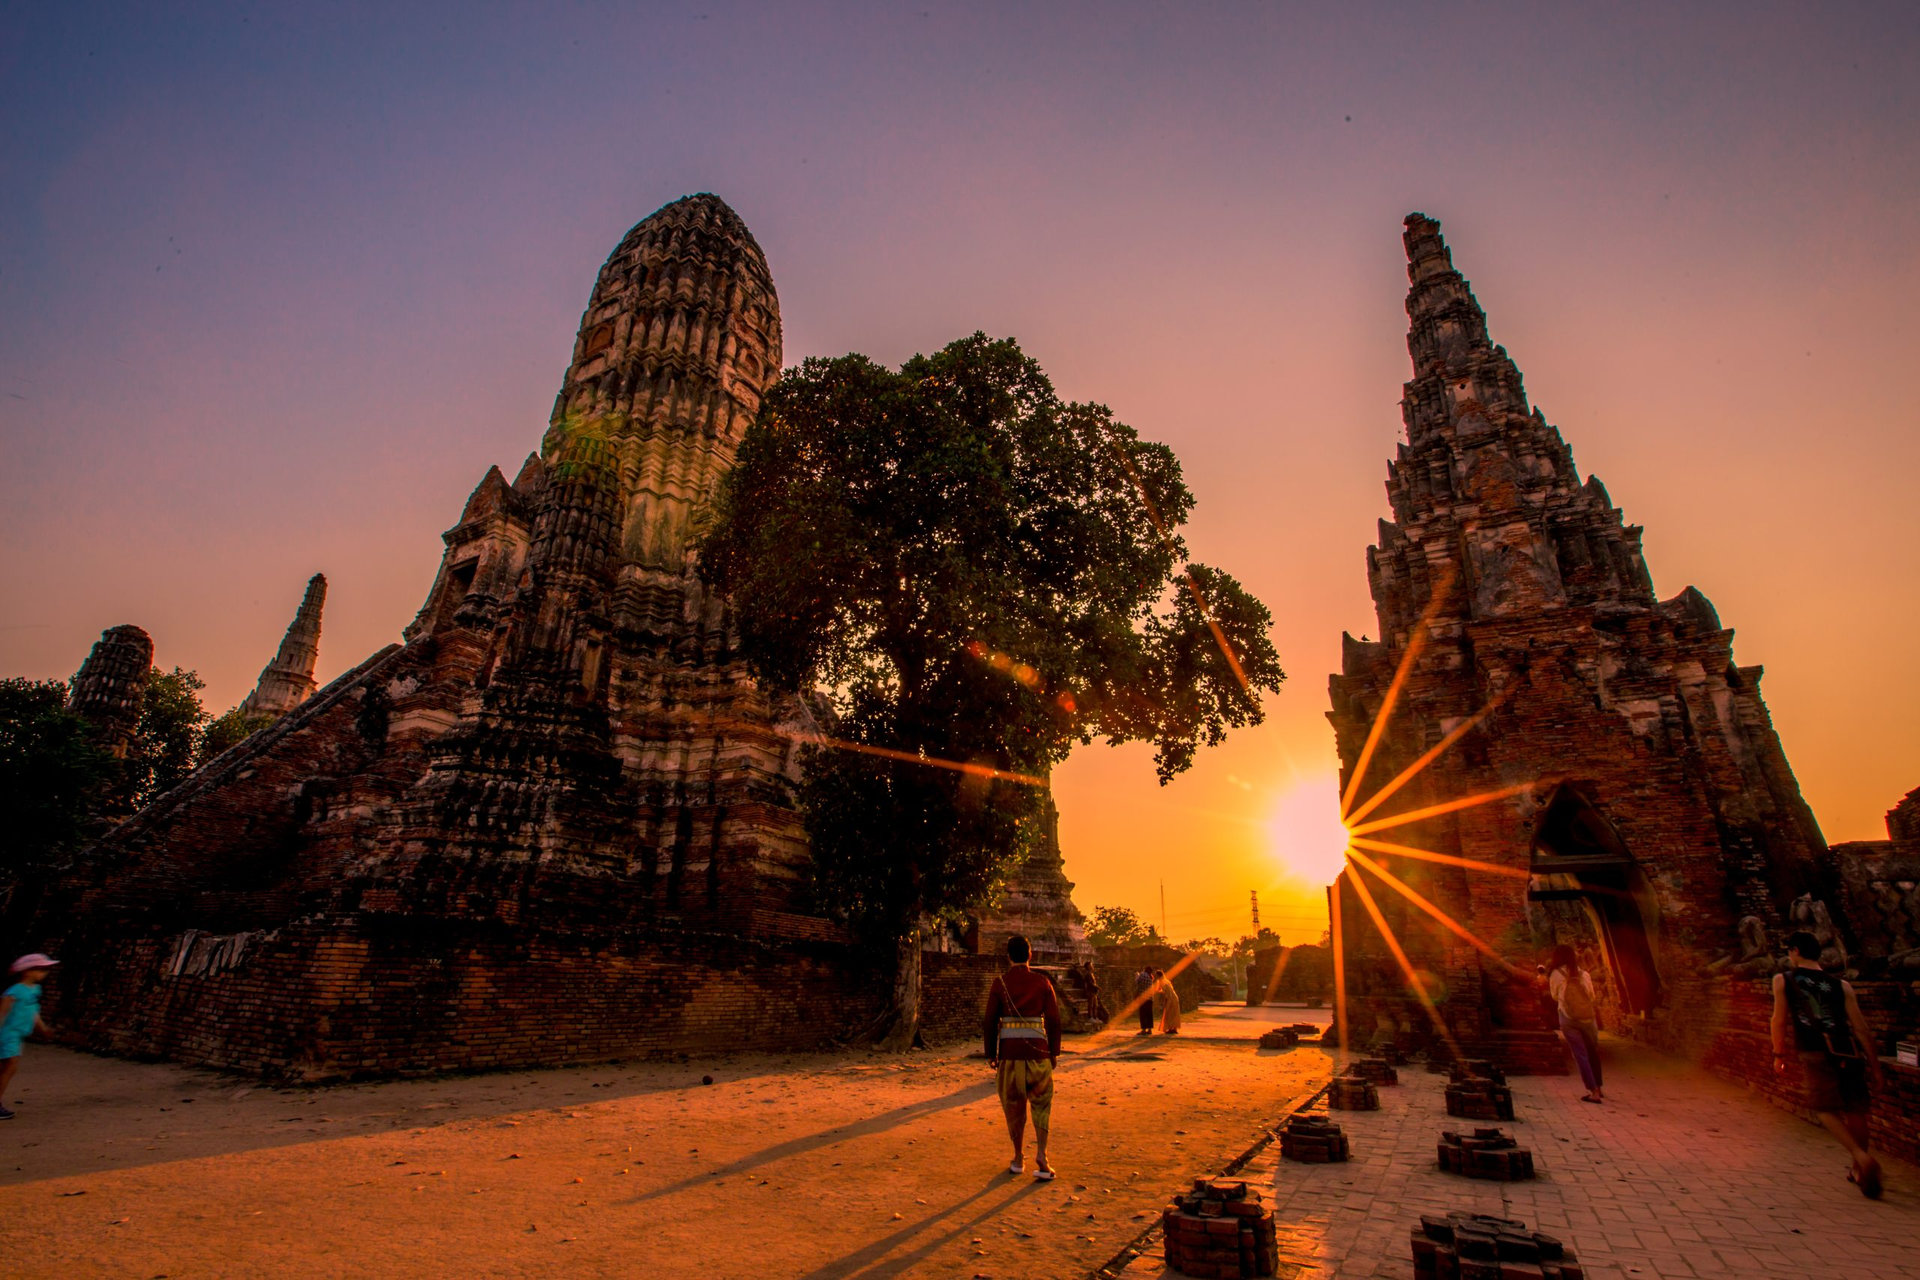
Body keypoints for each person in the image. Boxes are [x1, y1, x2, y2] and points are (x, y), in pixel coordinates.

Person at [1772, 930, 1886, 1198]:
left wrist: (1778, 1054)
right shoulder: (1841, 985)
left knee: (1823, 1109)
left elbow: (1779, 1020)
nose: (1789, 955)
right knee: (1855, 1110)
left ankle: (1861, 1157)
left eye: (1789, 950)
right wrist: (1876, 1067)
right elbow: (1861, 1028)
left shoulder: (1784, 980)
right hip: (1849, 1052)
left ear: (1796, 951)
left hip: (1815, 1051)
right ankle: (1858, 1169)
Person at [984, 935, 1062, 1179]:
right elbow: (1054, 1020)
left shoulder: (1000, 983)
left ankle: (1018, 1157)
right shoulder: (1042, 982)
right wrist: (1054, 1051)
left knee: (1014, 1107)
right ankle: (1042, 1156)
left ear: (1008, 956)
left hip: (1009, 1056)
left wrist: (991, 1054)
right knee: (1041, 1105)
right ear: (1030, 955)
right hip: (1039, 1053)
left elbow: (989, 1022)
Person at [0, 953, 58, 1120]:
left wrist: (43, 1028)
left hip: (17, 1034)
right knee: (10, 1066)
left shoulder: (34, 990)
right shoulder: (14, 991)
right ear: (26, 971)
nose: (43, 973)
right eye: (39, 970)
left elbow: (33, 1013)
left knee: (7, 1067)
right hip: (7, 1033)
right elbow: (2, 1013)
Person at [1546, 945, 1603, 1104]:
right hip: (1587, 1017)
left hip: (1568, 1017)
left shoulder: (1556, 974)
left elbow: (1555, 996)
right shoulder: (1584, 974)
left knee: (1580, 1054)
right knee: (1593, 1052)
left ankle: (1593, 1091)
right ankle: (1598, 1086)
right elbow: (1591, 996)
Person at [1133, 966, 1155, 1035]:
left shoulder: (1142, 974)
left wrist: (1137, 975)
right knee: (1149, 1014)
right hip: (1150, 998)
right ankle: (1149, 1029)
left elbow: (1137, 982)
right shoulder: (1150, 977)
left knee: (1143, 1014)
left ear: (1145, 969)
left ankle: (1143, 1030)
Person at [1159, 970, 1182, 1034]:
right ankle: (1173, 1028)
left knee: (1169, 1013)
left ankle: (1171, 1028)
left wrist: (1166, 1001)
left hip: (1171, 998)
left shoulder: (1163, 982)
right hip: (1174, 997)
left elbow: (1167, 993)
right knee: (1173, 1013)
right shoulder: (1165, 981)